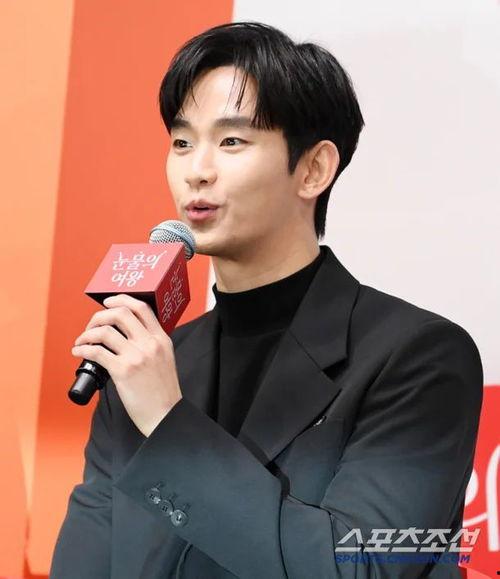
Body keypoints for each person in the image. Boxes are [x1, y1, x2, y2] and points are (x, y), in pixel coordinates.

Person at [50, 22, 483, 579]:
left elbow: (361, 569)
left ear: (313, 169)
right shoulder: (147, 362)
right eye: (182, 142)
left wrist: (168, 422)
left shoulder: (416, 357)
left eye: (231, 141)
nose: (196, 171)